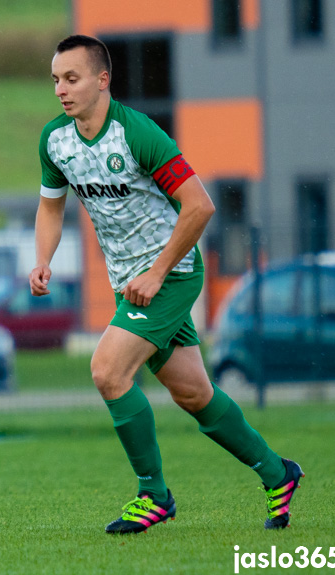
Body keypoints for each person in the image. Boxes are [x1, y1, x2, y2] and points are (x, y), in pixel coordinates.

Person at [30, 34, 303, 534]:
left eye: (71, 78)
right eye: (55, 80)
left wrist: (156, 274)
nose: (61, 90)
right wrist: (42, 259)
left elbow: (200, 206)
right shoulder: (55, 140)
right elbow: (51, 206)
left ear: (102, 79)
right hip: (128, 284)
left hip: (169, 276)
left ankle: (154, 495)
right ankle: (277, 473)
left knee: (108, 371)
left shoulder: (137, 133)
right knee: (194, 394)